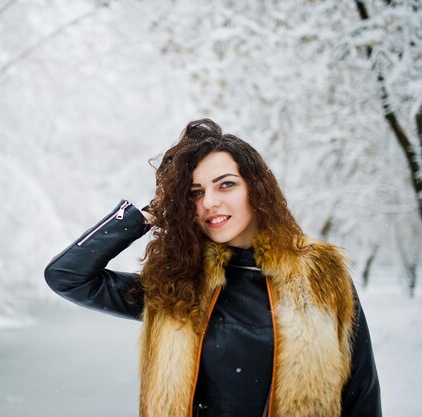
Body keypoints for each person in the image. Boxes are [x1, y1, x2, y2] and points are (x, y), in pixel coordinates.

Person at [44, 119, 381, 417]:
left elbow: (360, 393)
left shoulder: (320, 272)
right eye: (194, 193)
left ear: (256, 188)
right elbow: (68, 276)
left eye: (226, 184)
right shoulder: (176, 282)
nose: (209, 202)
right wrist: (149, 213)